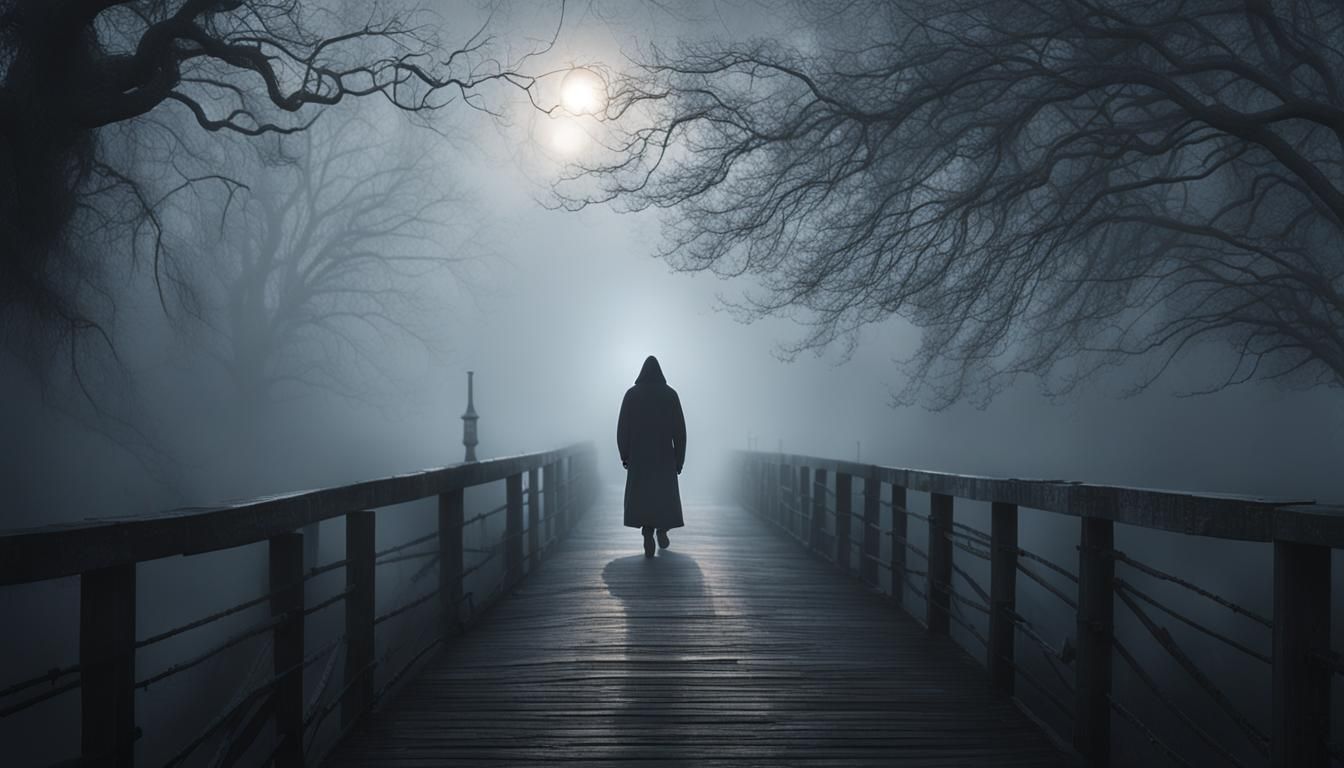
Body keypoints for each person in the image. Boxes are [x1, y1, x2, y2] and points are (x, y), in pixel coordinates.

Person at [617, 355, 687, 557]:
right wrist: (679, 459)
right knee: (663, 496)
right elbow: (680, 432)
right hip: (664, 457)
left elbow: (623, 429)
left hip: (639, 457)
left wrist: (625, 454)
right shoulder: (670, 395)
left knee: (643, 496)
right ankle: (662, 529)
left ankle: (647, 531)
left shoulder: (631, 395)